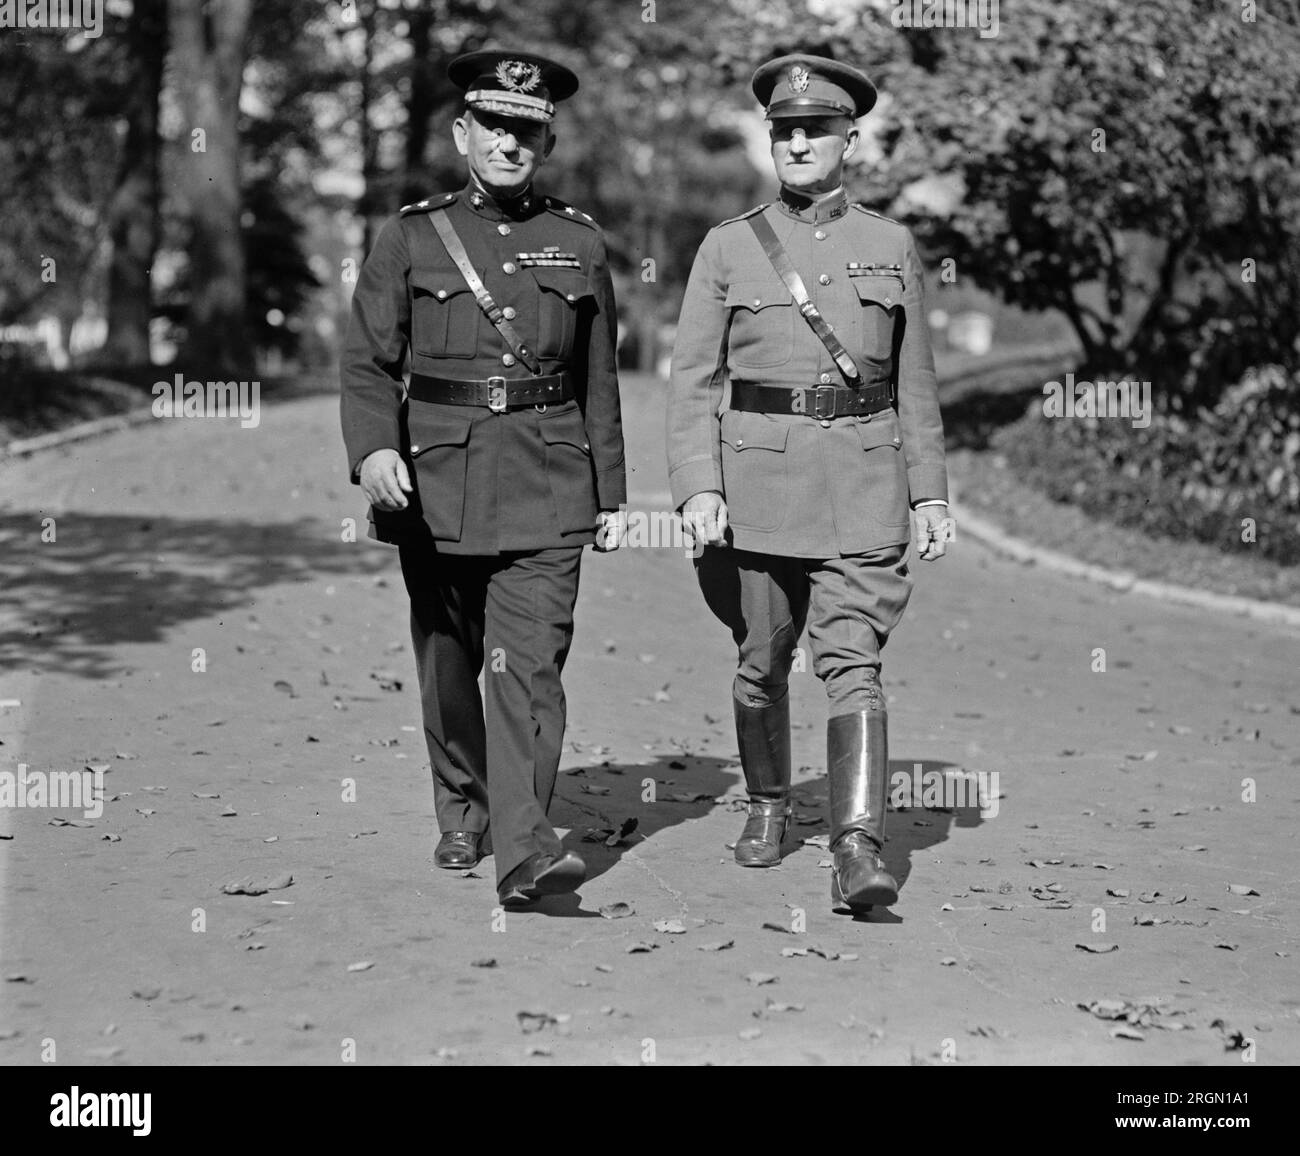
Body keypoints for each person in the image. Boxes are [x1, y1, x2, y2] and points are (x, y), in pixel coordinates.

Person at [665, 53, 952, 915]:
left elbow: (916, 383)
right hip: (755, 494)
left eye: (815, 129)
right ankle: (766, 801)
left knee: (854, 666)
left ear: (848, 139)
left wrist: (929, 491)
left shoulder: (891, 243)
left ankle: (859, 847)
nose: (797, 142)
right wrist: (697, 488)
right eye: (784, 129)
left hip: (863, 487)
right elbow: (692, 380)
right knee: (760, 665)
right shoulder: (726, 246)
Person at [340, 50, 626, 909]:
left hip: (548, 481)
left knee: (529, 666)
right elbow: (365, 361)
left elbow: (598, 377)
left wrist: (609, 494)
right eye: (493, 126)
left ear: (546, 140)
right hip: (435, 481)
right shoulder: (411, 236)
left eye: (526, 130)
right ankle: (463, 805)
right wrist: (372, 451)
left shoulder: (579, 242)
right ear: (464, 132)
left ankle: (526, 849)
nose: (509, 142)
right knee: (448, 657)